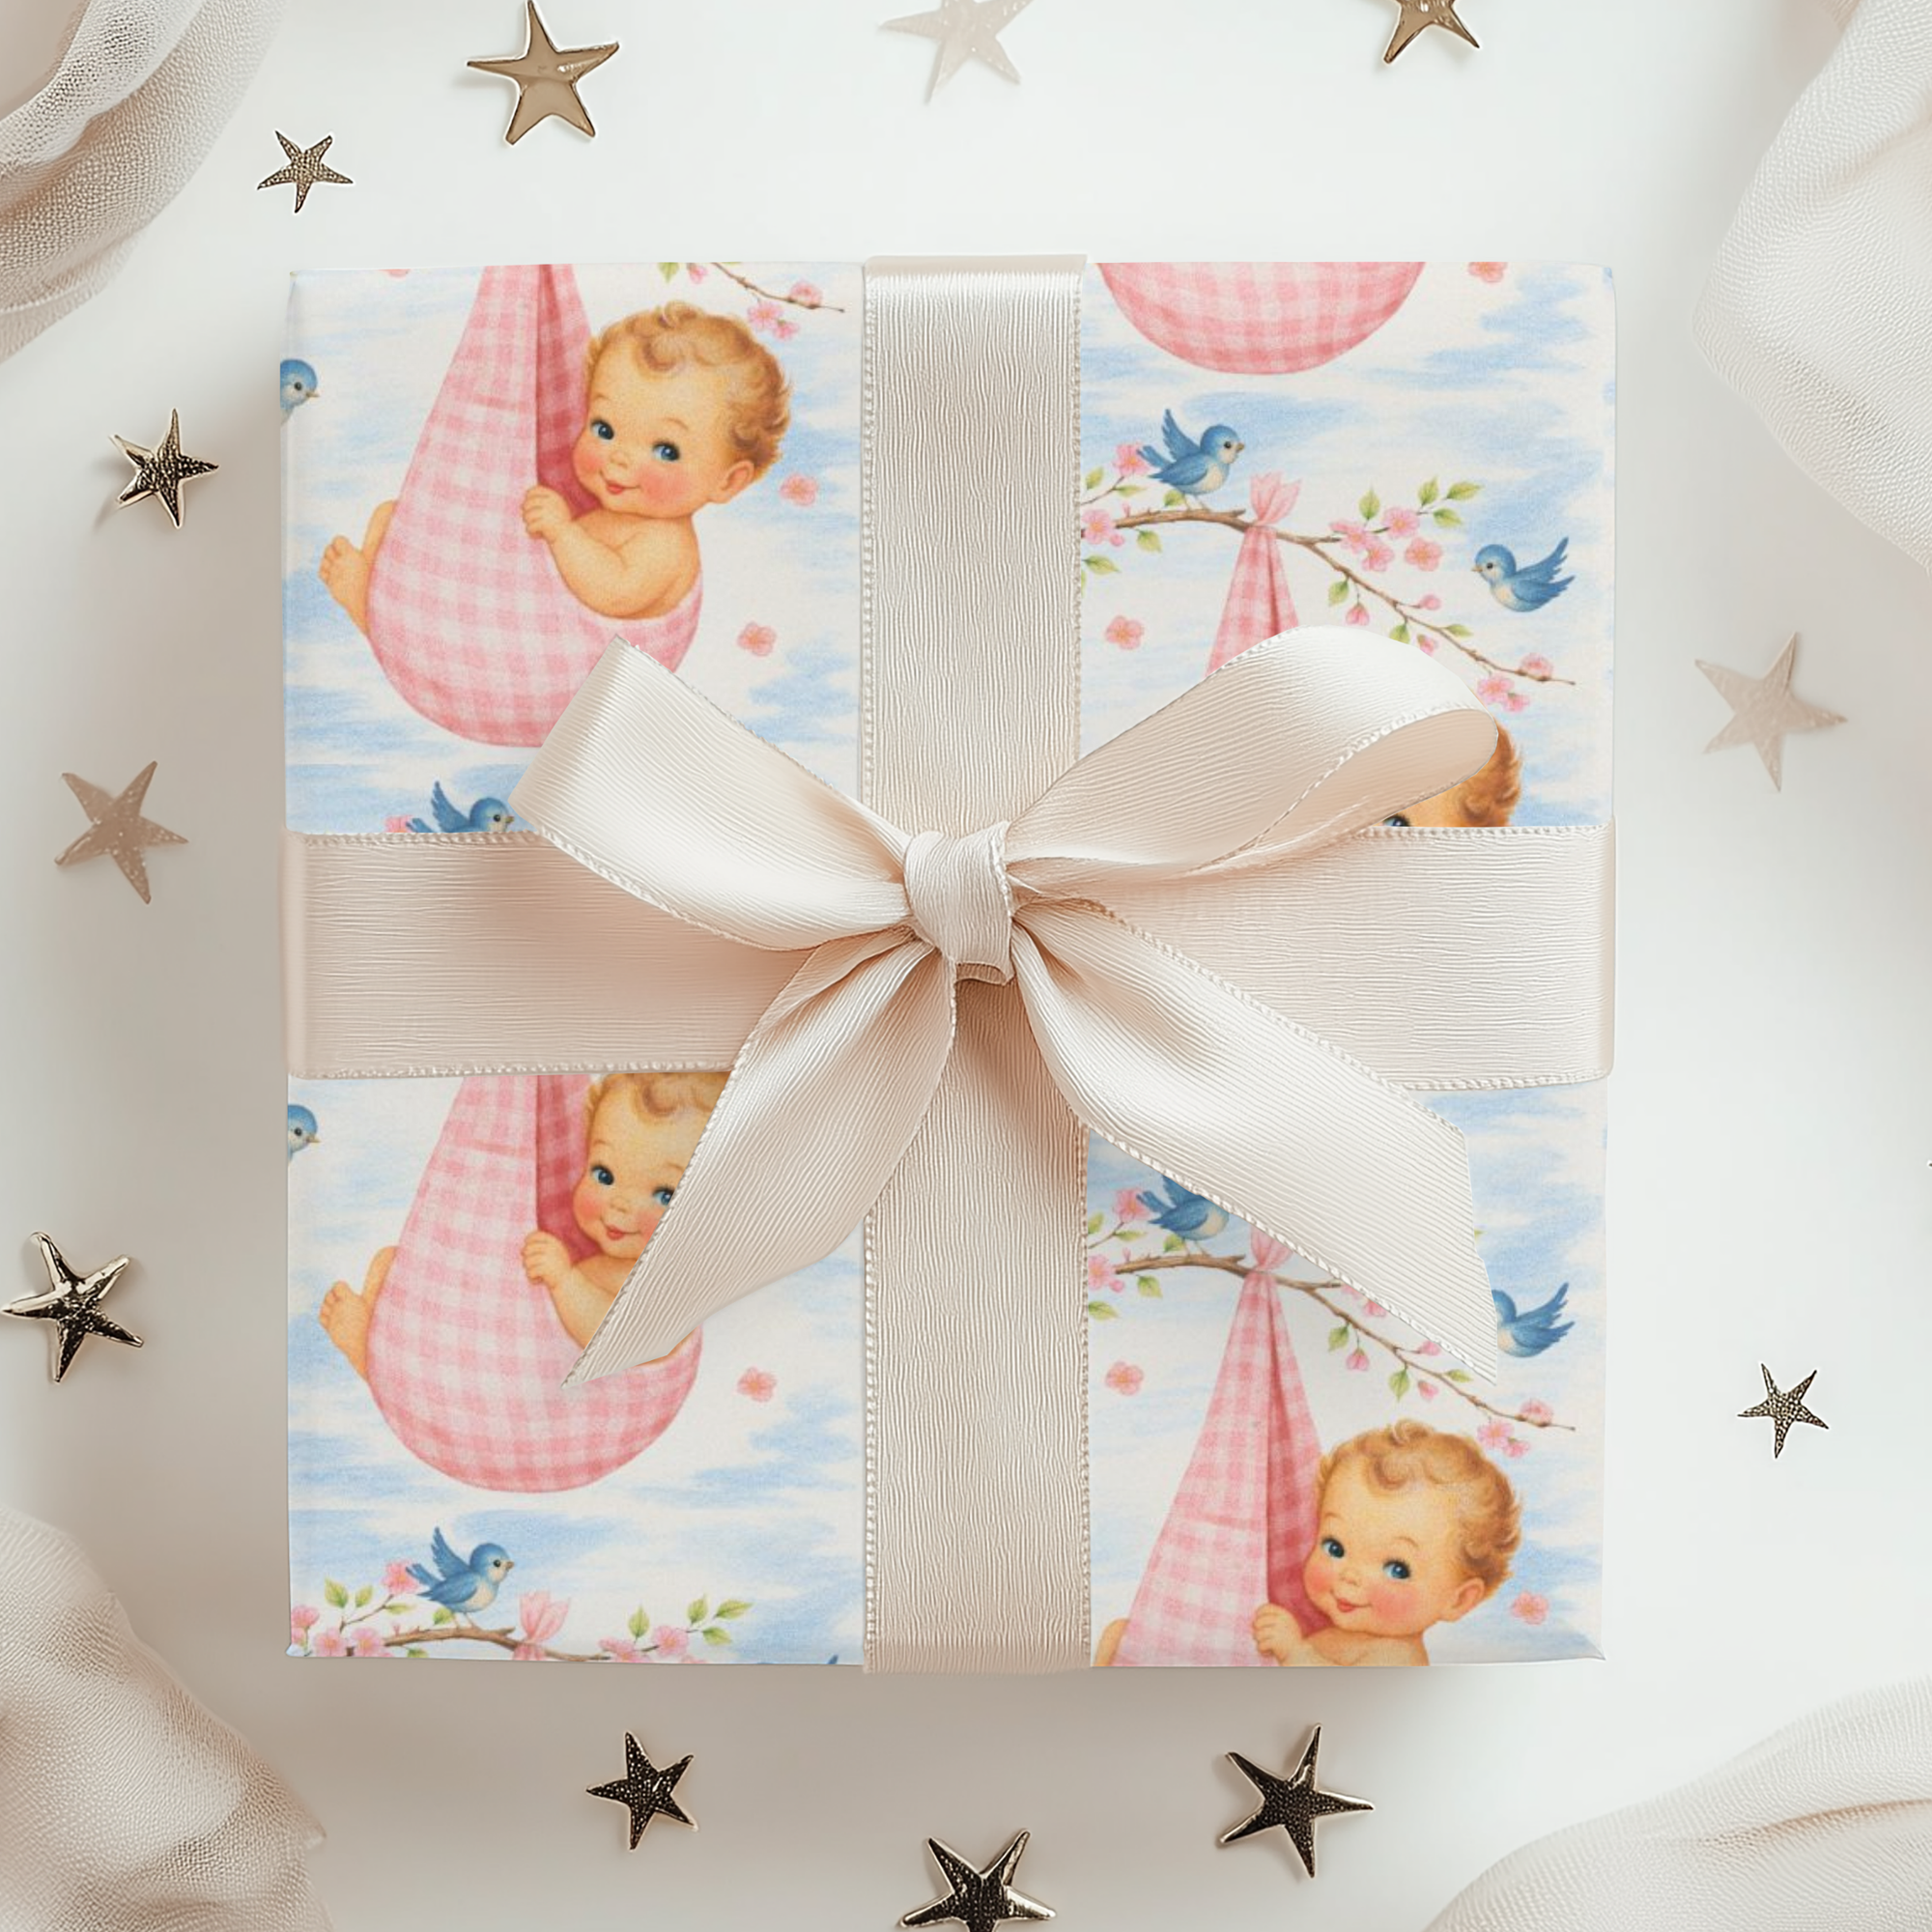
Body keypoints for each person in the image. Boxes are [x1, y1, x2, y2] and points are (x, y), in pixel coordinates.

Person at [320, 301, 789, 632]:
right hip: (523, 607)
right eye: (604, 428)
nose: (619, 457)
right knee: (393, 519)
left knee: (414, 558)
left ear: (729, 481)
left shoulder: (665, 545)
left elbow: (614, 592)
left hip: (550, 651)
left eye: (666, 450)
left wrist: (564, 533)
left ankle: (370, 612)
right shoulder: (626, 513)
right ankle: (383, 606)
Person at [1252, 1419, 1520, 1666]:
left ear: (1458, 1600)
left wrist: (1294, 1651)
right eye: (1335, 1547)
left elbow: (1342, 1700)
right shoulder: (1342, 1633)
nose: (1350, 1575)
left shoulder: (1397, 1658)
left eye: (1397, 1569)